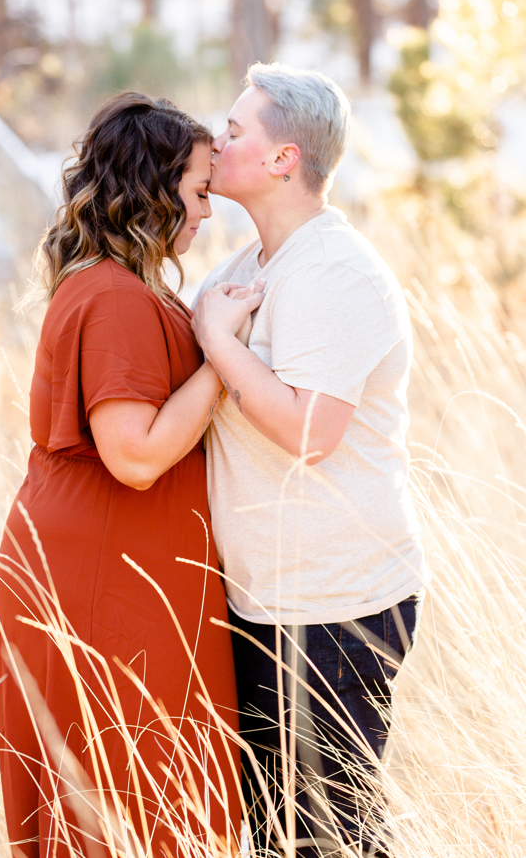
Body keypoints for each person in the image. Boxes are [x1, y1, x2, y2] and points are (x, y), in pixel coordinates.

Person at [0, 92, 263, 858]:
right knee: (122, 803)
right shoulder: (113, 294)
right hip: (102, 579)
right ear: (153, 183)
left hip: (113, 566)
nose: (208, 213)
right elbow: (135, 454)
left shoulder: (129, 284)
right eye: (201, 192)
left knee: (135, 802)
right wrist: (220, 352)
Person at [192, 63, 428, 857]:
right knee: (277, 836)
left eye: (235, 130)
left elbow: (309, 433)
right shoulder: (247, 269)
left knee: (330, 839)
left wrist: (218, 342)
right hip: (268, 603)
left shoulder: (334, 271)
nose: (216, 139)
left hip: (336, 607)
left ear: (284, 159)